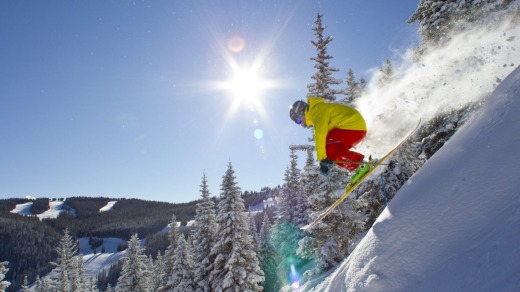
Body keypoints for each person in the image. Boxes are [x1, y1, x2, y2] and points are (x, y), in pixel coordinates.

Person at [290, 96, 370, 181]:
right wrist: (325, 159)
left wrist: (322, 159)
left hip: (353, 127)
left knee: (329, 147)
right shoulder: (317, 111)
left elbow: (320, 134)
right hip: (355, 129)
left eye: (298, 121)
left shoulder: (317, 110)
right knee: (331, 152)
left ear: (300, 113)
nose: (301, 123)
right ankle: (356, 168)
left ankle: (360, 165)